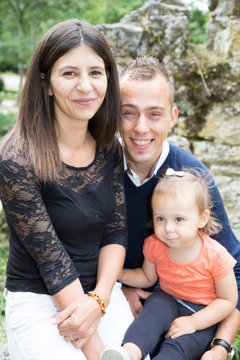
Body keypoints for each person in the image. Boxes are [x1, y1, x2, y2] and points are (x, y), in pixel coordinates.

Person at [0, 19, 134, 360]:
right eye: (70, 73)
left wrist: (100, 299)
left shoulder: (109, 147)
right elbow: (52, 261)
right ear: (46, 83)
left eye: (95, 72)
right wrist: (96, 350)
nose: (86, 87)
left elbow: (116, 231)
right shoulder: (16, 158)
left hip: (100, 295)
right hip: (41, 300)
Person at [119, 56, 240, 360]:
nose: (140, 127)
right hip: (127, 308)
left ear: (173, 116)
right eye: (128, 113)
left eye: (154, 114)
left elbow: (234, 273)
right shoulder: (94, 171)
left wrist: (221, 346)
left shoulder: (192, 178)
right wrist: (118, 287)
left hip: (191, 319)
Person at [101, 168, 238, 360]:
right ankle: (130, 352)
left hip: (202, 314)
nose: (168, 228)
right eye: (161, 218)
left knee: (179, 345)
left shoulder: (215, 255)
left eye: (179, 219)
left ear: (202, 218)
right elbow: (147, 276)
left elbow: (228, 301)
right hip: (168, 299)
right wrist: (118, 273)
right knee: (153, 310)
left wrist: (194, 322)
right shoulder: (155, 244)